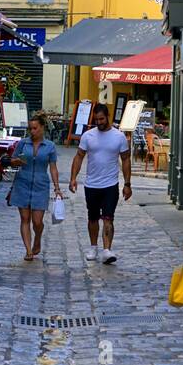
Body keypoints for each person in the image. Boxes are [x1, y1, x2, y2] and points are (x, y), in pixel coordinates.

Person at [68, 103, 131, 264]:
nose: (99, 122)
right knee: (93, 218)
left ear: (108, 116)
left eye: (102, 119)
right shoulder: (88, 136)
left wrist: (127, 184)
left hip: (110, 184)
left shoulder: (119, 137)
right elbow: (79, 156)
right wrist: (73, 178)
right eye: (96, 119)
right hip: (91, 184)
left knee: (108, 218)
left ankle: (107, 250)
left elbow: (125, 160)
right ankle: (93, 246)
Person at [4, 111, 63, 261]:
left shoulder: (49, 146)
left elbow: (53, 167)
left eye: (35, 128)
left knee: (37, 221)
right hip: (22, 182)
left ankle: (38, 237)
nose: (32, 131)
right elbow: (12, 159)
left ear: (42, 128)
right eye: (30, 128)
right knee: (25, 218)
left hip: (41, 185)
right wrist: (15, 161)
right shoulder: (23, 143)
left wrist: (57, 188)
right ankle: (28, 250)